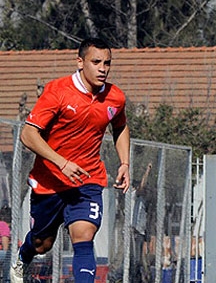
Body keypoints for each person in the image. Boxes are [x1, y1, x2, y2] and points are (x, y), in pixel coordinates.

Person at [10, 37, 131, 283]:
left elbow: (120, 126)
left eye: (107, 63)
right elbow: (28, 134)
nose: (103, 68)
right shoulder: (58, 92)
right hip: (50, 180)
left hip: (88, 179)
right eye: (96, 62)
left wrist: (125, 163)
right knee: (42, 244)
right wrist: (62, 162)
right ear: (80, 62)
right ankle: (23, 256)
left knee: (84, 237)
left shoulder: (115, 97)